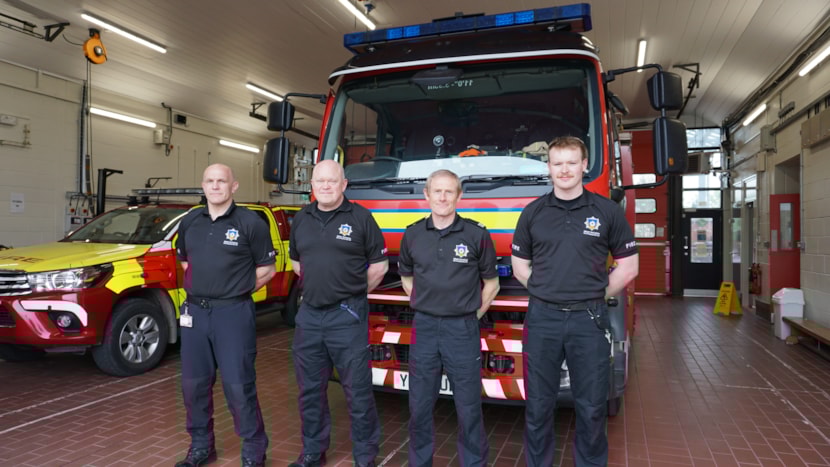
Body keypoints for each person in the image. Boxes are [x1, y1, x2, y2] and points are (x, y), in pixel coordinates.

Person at [511, 136, 639, 467]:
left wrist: (595, 294)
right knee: (538, 405)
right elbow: (520, 266)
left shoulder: (607, 211)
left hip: (590, 320)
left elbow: (629, 267)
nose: (564, 170)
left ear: (584, 165)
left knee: (592, 405)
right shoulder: (533, 213)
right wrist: (545, 291)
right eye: (557, 163)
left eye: (571, 162)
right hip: (543, 320)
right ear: (548, 169)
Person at [175, 163, 276, 467]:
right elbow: (184, 261)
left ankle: (254, 450)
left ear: (234, 186)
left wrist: (236, 289)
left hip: (233, 313)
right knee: (194, 385)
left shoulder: (251, 222)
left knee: (238, 384)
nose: (215, 186)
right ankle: (201, 446)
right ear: (203, 186)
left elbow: (267, 269)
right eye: (210, 181)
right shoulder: (190, 221)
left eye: (222, 181)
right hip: (195, 313)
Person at [288, 160, 388, 467]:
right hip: (309, 316)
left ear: (344, 185)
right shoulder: (301, 219)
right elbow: (296, 262)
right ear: (312, 186)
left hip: (347, 316)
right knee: (310, 391)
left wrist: (350, 293)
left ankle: (365, 456)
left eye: (332, 181)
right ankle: (313, 452)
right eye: (320, 181)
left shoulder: (361, 218)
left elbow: (379, 266)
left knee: (357, 391)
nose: (326, 186)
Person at [398, 169, 499, 467]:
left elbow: (491, 285)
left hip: (462, 329)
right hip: (425, 327)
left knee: (468, 407)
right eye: (437, 191)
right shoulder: (412, 234)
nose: (442, 197)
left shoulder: (476, 234)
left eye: (449, 192)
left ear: (459, 196)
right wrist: (425, 303)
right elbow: (405, 276)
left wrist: (469, 315)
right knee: (419, 405)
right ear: (426, 195)